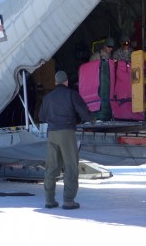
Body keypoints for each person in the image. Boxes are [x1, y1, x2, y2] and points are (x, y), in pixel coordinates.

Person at [39, 70, 94, 210]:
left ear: (55, 82)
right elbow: (83, 112)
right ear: (66, 81)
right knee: (70, 166)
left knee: (51, 166)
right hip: (67, 132)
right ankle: (68, 200)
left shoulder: (47, 97)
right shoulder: (71, 94)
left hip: (52, 133)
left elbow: (42, 117)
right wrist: (91, 119)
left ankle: (49, 200)